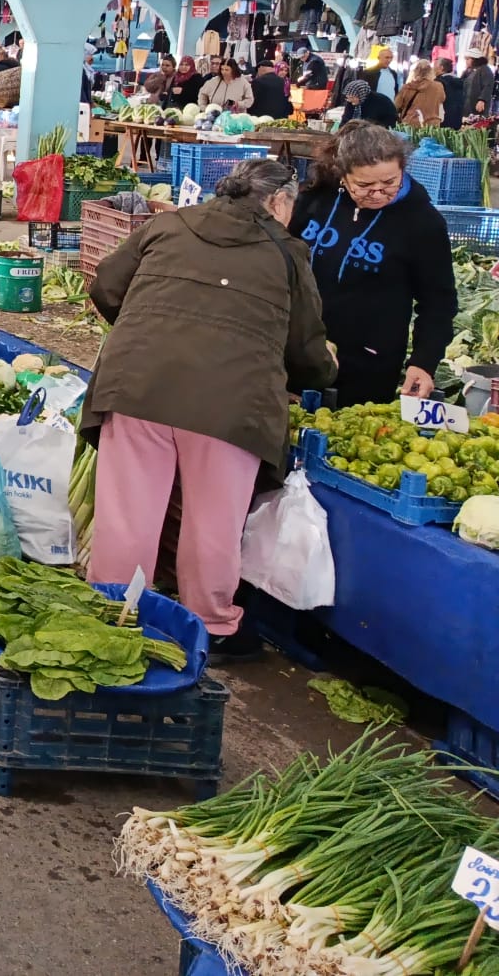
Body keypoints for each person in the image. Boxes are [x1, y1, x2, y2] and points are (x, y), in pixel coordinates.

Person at [83, 158, 338, 645]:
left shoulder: (169, 223)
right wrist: (325, 372)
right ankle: (211, 626)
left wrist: (149, 331)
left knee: (127, 512)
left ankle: (112, 613)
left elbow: (107, 286)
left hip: (138, 383)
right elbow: (305, 345)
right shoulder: (286, 251)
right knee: (213, 521)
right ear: (280, 202)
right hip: (231, 402)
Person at [292, 122, 455, 405]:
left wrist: (423, 361)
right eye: (364, 185)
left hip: (368, 365)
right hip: (296, 351)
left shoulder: (423, 224)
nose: (378, 193)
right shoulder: (314, 199)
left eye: (390, 182)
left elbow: (438, 301)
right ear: (342, 175)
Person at [395, 59, 446, 126]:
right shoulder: (438, 86)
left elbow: (397, 106)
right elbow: (442, 99)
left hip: (410, 124)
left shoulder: (407, 87)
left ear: (415, 72)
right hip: (432, 125)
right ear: (431, 71)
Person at [465, 53, 494, 119]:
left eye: (467, 59)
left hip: (478, 105)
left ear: (474, 59)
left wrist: (482, 100)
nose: (466, 61)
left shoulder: (485, 69)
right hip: (468, 104)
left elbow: (488, 86)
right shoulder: (469, 70)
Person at [439, 59, 467, 128]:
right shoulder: (460, 81)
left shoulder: (440, 82)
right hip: (457, 119)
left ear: (441, 67)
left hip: (443, 119)